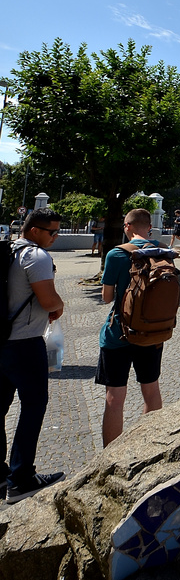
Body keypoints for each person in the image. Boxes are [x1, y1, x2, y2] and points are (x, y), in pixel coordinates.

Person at [0, 208, 66, 504]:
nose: (55, 237)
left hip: (1, 341)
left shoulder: (9, 250)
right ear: (35, 231)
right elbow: (48, 299)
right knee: (33, 407)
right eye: (52, 232)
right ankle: (21, 478)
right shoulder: (36, 256)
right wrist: (59, 304)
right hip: (25, 344)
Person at [95, 208, 164, 446]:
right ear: (149, 227)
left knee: (115, 398)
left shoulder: (116, 254)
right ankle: (148, 447)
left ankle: (110, 456)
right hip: (153, 333)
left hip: (119, 335)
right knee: (152, 392)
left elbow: (106, 297)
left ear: (127, 227)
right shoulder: (164, 253)